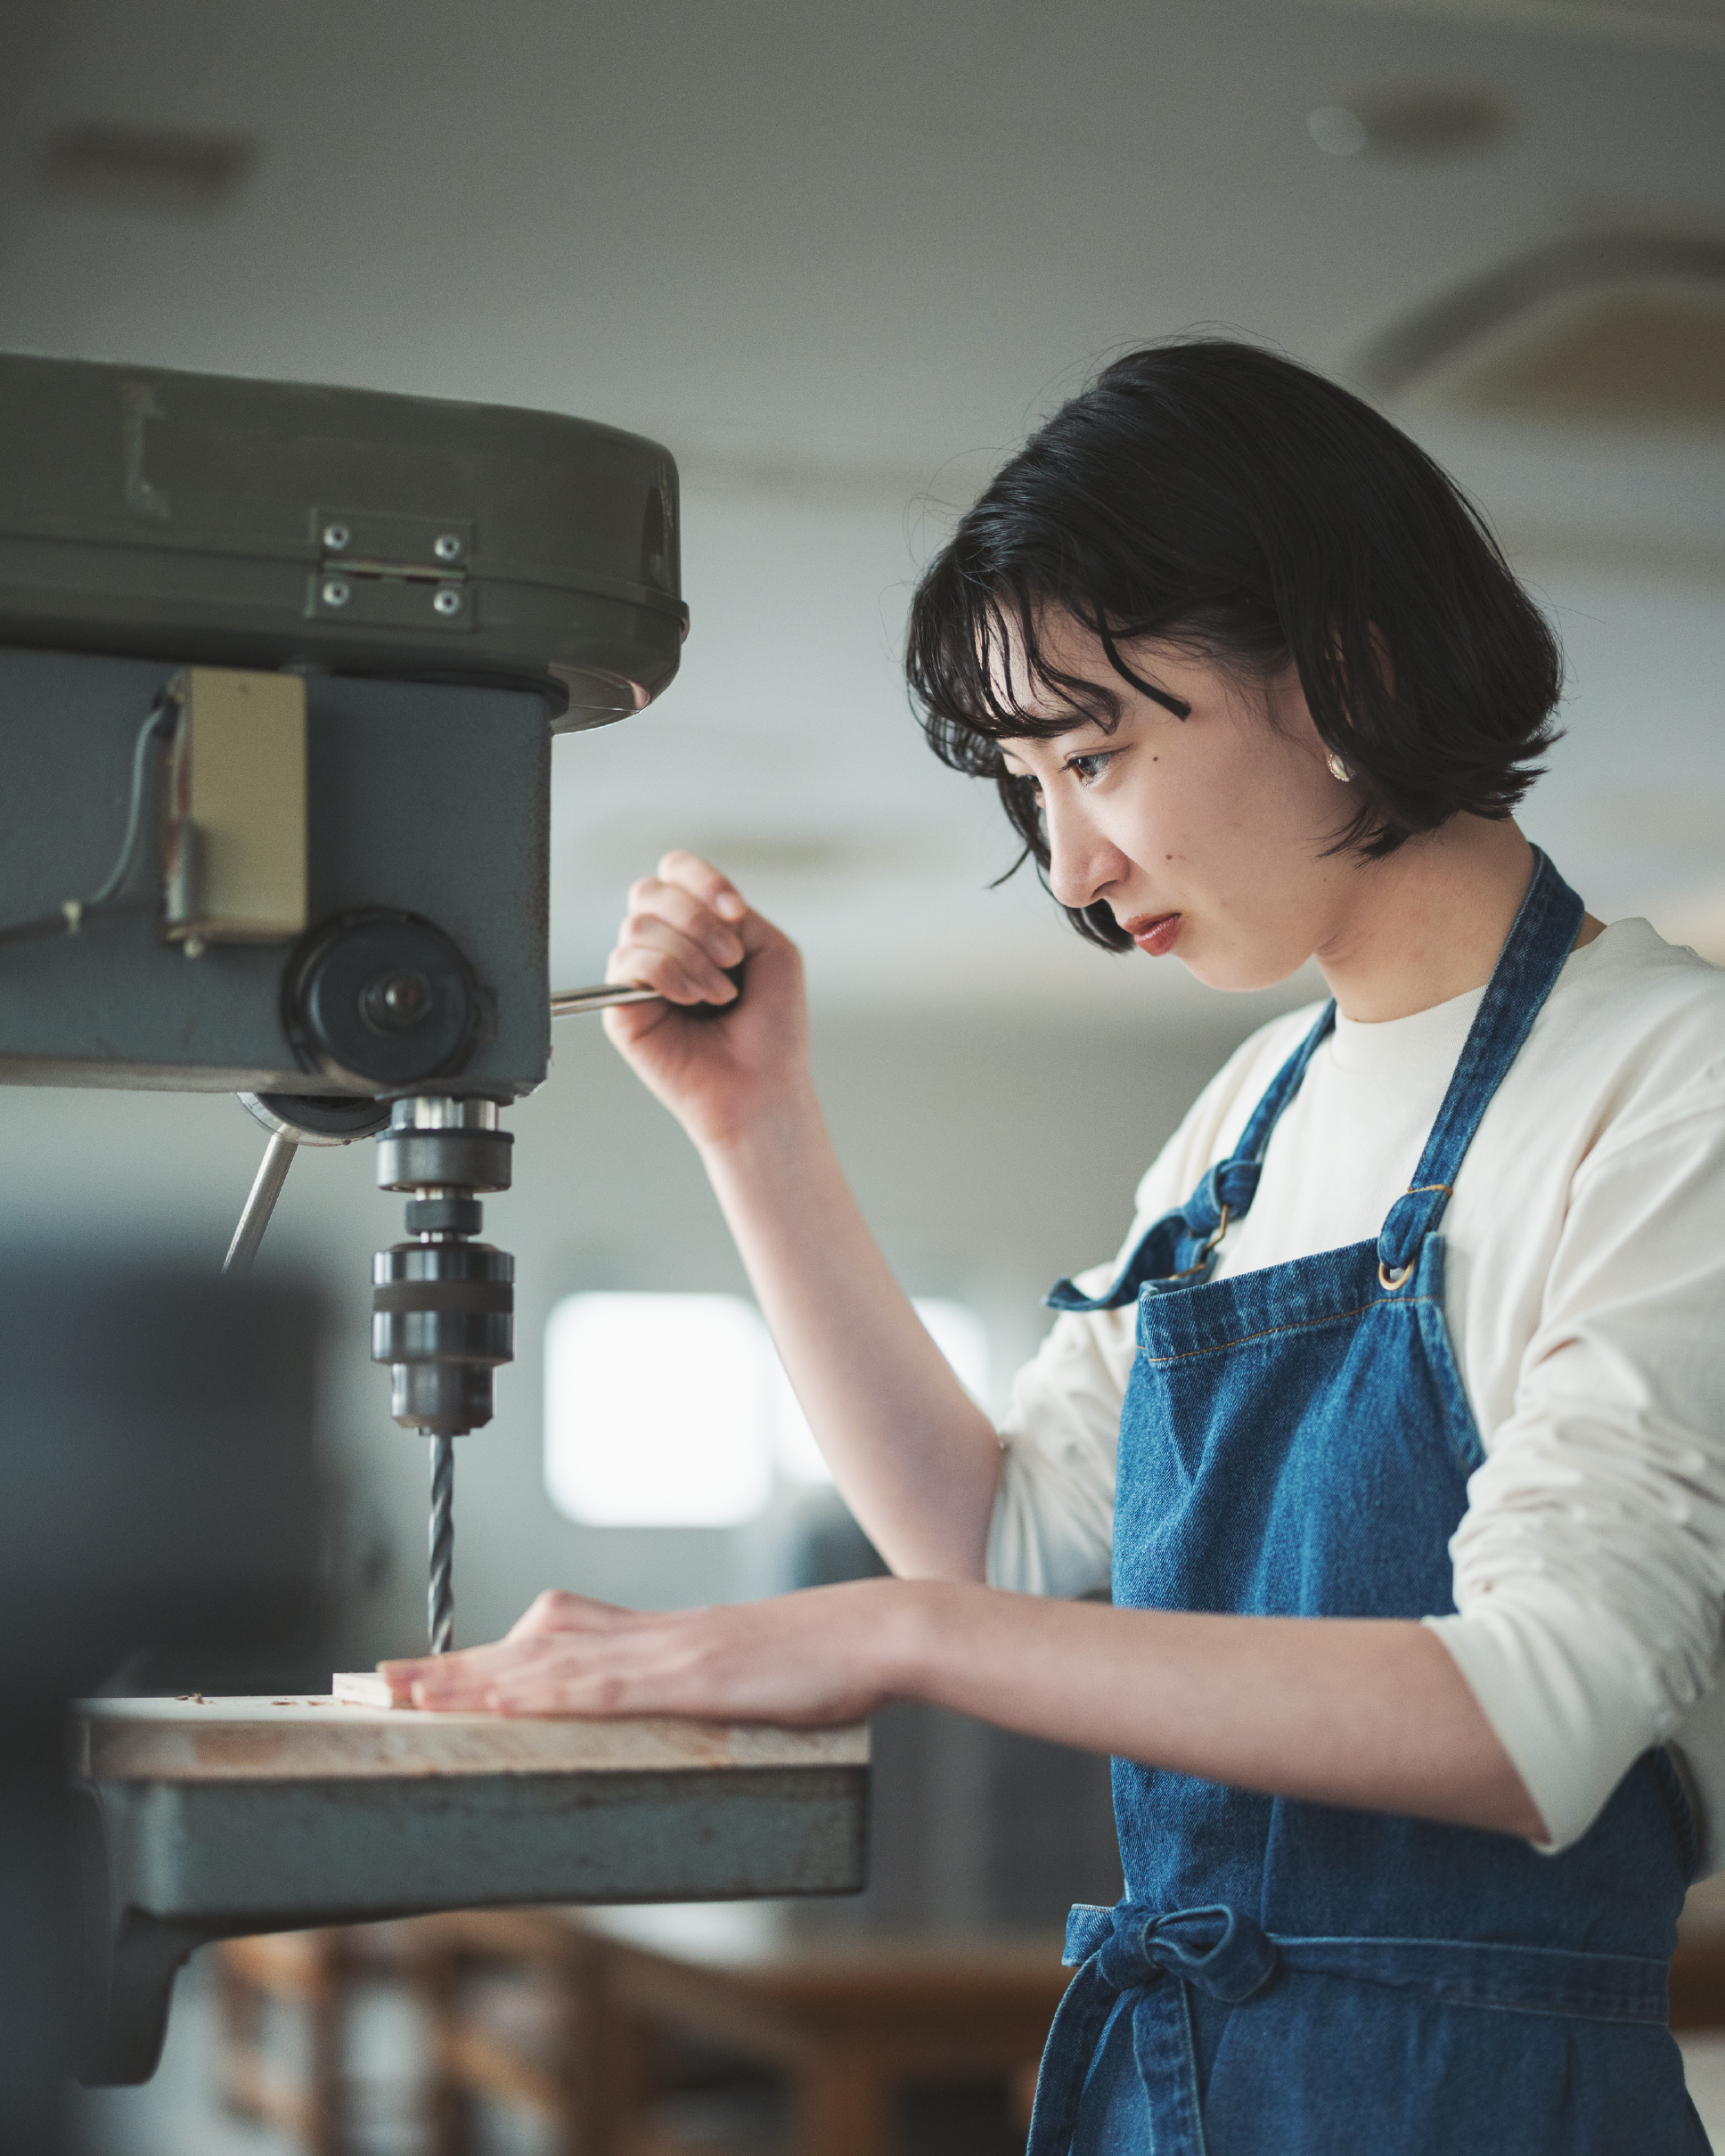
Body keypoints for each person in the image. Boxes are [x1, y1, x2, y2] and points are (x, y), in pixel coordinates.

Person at [384, 341, 1725, 2152]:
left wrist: (897, 1637)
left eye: (1094, 753)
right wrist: (753, 1123)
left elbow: (1529, 1712)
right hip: (1166, 2097)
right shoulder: (1249, 1113)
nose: (1073, 869)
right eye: (1028, 786)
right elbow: (999, 1538)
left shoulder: (1664, 1084)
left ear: (1348, 661)